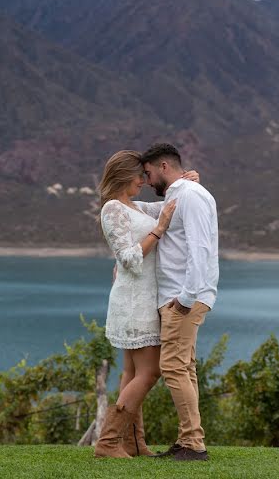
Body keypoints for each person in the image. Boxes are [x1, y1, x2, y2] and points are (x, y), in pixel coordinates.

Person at [93, 150, 199, 459]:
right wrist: (159, 228)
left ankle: (134, 444)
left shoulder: (134, 206)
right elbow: (127, 258)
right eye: (140, 175)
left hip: (144, 298)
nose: (144, 180)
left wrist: (185, 180)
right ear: (125, 176)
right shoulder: (112, 209)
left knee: (131, 373)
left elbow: (168, 205)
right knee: (150, 373)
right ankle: (109, 442)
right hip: (133, 301)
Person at [141, 143, 219, 462]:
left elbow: (200, 249)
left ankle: (193, 444)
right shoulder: (179, 194)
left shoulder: (190, 195)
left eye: (147, 174)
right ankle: (188, 440)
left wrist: (186, 298)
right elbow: (147, 213)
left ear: (163, 166)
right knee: (184, 368)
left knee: (173, 366)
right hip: (178, 296)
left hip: (184, 297)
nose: (146, 182)